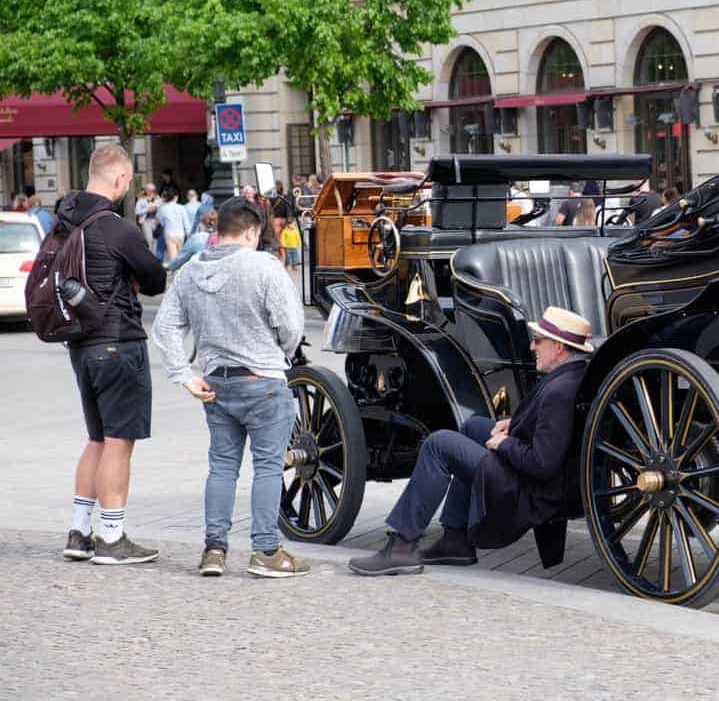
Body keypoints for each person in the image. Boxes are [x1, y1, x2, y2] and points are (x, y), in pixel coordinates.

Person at [348, 306, 593, 576]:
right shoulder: (574, 375)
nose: (532, 346)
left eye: (538, 340)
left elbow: (543, 463)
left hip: (526, 491)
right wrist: (516, 424)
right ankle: (456, 540)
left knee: (439, 444)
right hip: (538, 482)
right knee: (473, 427)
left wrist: (505, 444)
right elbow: (553, 429)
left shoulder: (559, 391)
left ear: (558, 347)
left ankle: (402, 547)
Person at [152, 198, 308, 578]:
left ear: (219, 229)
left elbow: (165, 327)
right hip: (262, 380)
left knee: (222, 467)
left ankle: (214, 550)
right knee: (268, 467)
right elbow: (291, 325)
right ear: (253, 231)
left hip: (215, 383)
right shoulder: (265, 267)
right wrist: (282, 351)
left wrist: (184, 375)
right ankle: (266, 550)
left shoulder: (191, 271)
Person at [57, 144, 167, 565]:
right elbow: (156, 278)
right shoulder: (116, 227)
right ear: (121, 180)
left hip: (80, 344)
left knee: (97, 440)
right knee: (120, 443)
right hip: (118, 342)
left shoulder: (63, 222)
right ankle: (111, 537)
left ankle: (79, 531)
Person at [157, 189, 189, 263]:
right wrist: (189, 234)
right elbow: (186, 223)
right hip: (181, 234)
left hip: (169, 233)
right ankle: (180, 272)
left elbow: (161, 223)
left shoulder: (163, 208)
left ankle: (174, 273)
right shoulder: (182, 207)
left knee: (173, 256)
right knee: (180, 256)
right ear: (175, 197)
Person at [135, 183, 159, 248]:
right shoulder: (141, 200)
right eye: (150, 190)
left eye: (153, 190)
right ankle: (149, 254)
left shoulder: (158, 199)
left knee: (155, 240)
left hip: (156, 222)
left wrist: (157, 207)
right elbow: (137, 211)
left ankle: (154, 256)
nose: (151, 192)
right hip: (146, 221)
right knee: (149, 239)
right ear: (146, 190)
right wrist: (147, 209)